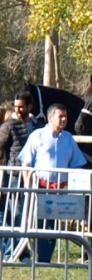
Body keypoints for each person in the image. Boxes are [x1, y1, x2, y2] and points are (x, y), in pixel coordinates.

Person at [18, 104, 87, 262]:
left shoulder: (69, 138)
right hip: (40, 188)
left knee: (53, 227)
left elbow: (77, 164)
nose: (64, 119)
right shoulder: (37, 136)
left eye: (65, 116)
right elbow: (26, 163)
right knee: (40, 225)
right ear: (50, 118)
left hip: (59, 190)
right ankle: (42, 259)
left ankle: (45, 259)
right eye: (60, 116)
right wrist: (28, 186)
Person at [0, 90, 39, 262]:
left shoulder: (37, 125)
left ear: (30, 106)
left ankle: (22, 251)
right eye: (16, 107)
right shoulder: (8, 126)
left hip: (33, 176)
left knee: (27, 215)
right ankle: (13, 253)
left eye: (21, 107)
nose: (18, 110)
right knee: (14, 215)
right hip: (14, 175)